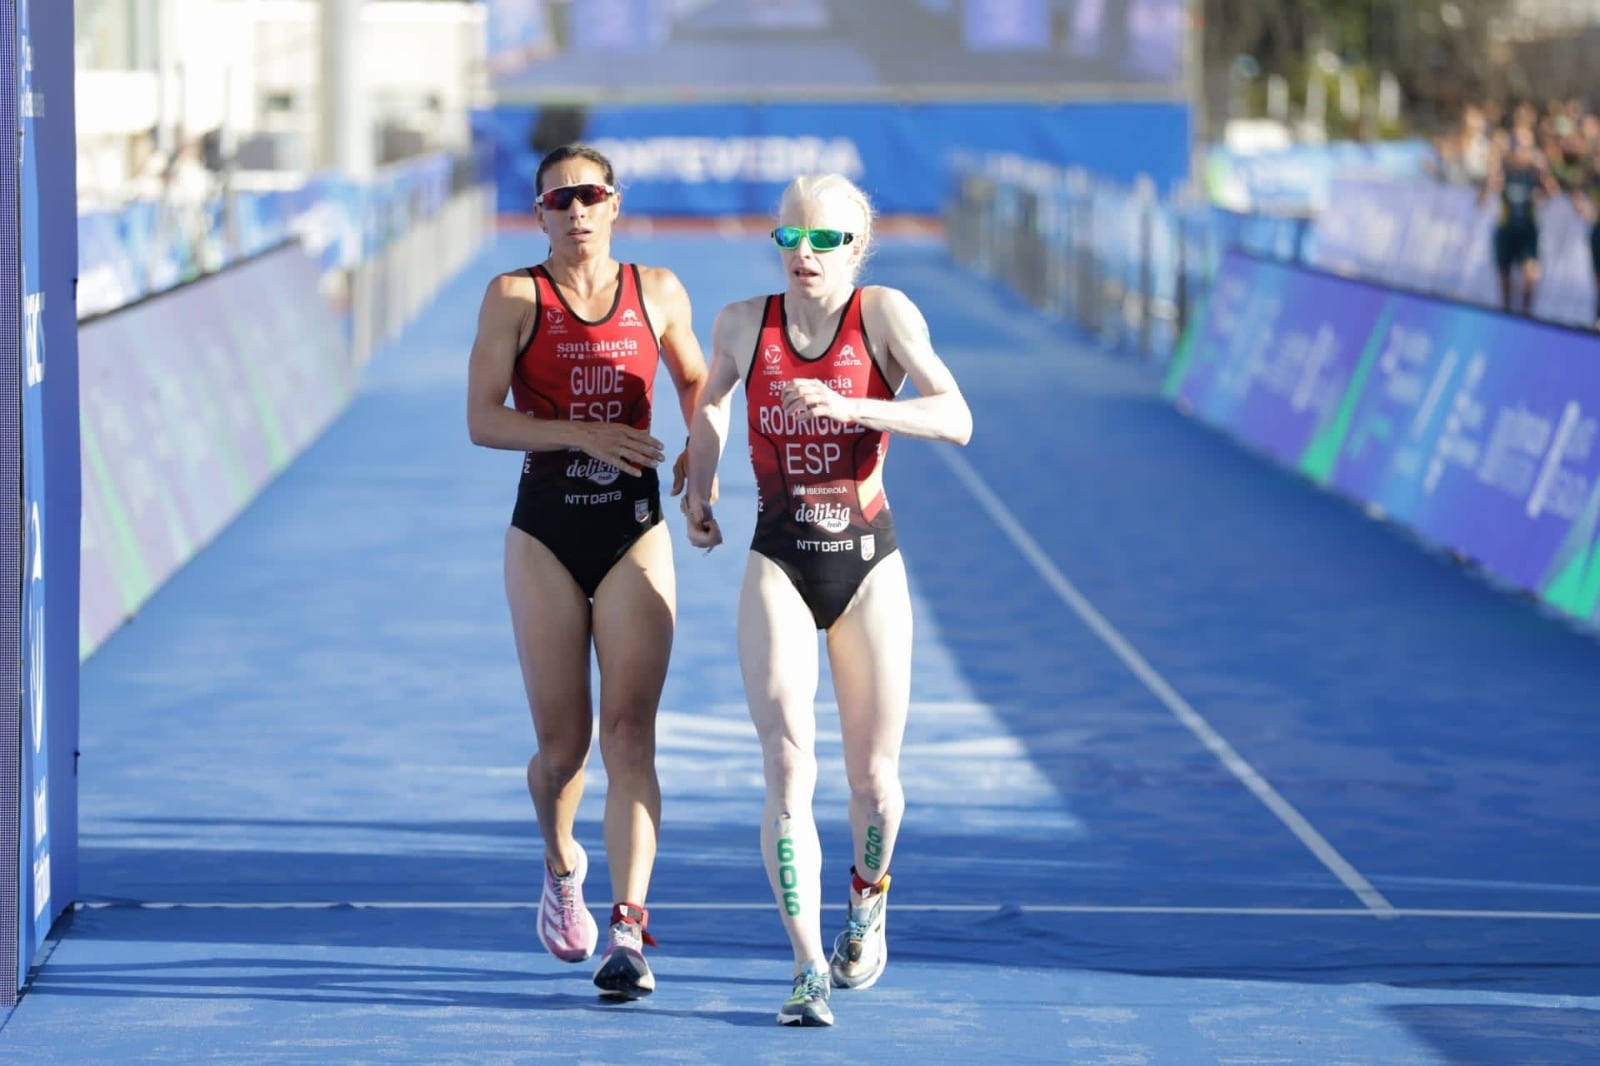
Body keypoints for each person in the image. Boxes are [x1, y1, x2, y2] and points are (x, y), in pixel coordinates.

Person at [681, 174, 973, 1026]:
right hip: (779, 557)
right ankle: (807, 963)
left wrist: (852, 405)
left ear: (857, 248)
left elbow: (955, 416)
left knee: (875, 783)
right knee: (786, 766)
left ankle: (869, 894)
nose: (804, 256)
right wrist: (700, 495)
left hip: (868, 564)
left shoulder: (882, 314)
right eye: (790, 239)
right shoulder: (743, 322)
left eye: (825, 241)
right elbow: (712, 406)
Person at [465, 143, 709, 999]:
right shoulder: (515, 297)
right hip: (546, 533)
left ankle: (630, 930)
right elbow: (482, 421)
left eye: (590, 195)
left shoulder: (661, 291)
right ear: (539, 214)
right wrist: (584, 433)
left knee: (630, 736)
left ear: (615, 205)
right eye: (559, 199)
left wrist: (699, 463)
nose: (576, 211)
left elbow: (697, 383)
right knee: (564, 751)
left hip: (634, 529)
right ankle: (561, 863)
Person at [1480, 126, 1558, 316]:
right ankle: (1507, 314)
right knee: (1505, 279)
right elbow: (1482, 201)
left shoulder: (1535, 173)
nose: (1523, 152)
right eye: (1520, 147)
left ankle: (1526, 314)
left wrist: (1544, 173)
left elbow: (1553, 192)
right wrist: (1492, 182)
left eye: (1527, 147)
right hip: (1507, 230)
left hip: (1527, 231)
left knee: (1530, 275)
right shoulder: (1504, 171)